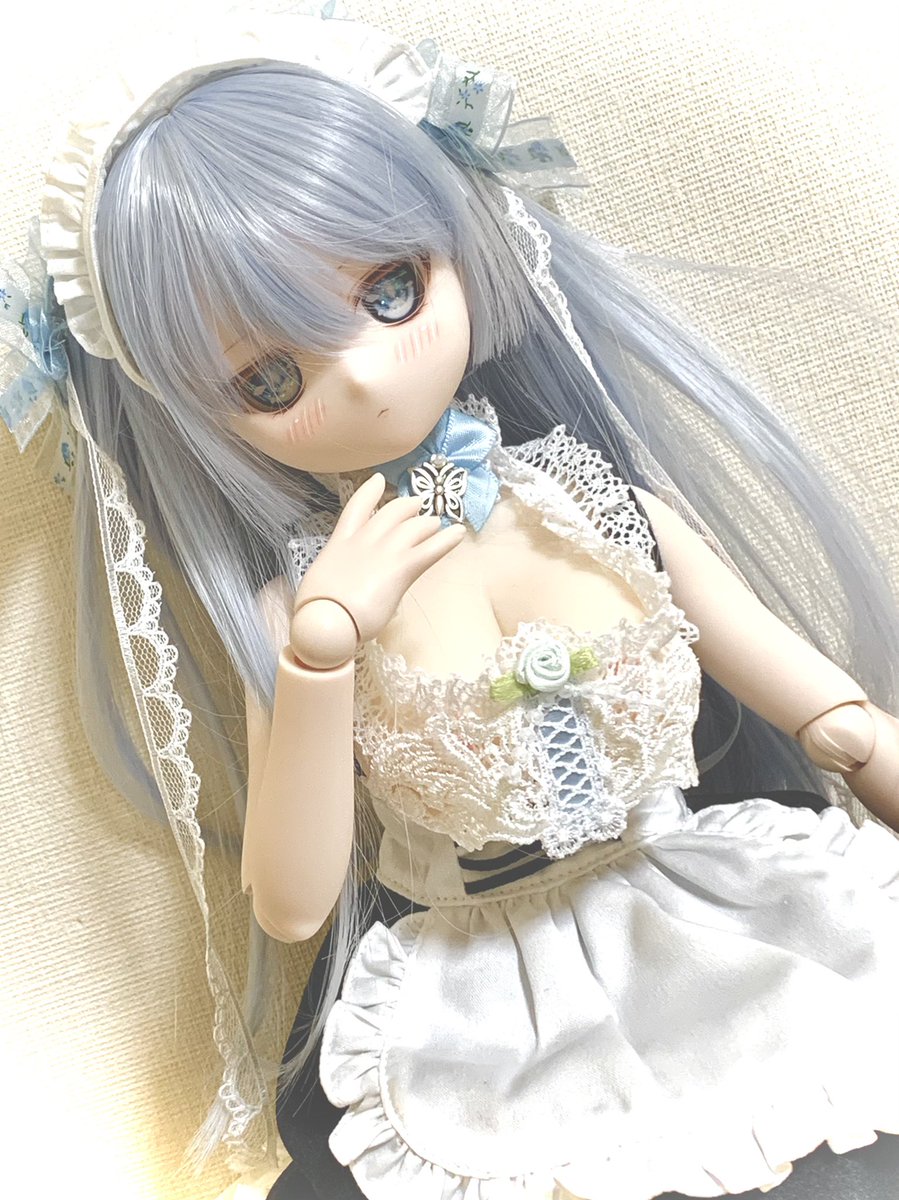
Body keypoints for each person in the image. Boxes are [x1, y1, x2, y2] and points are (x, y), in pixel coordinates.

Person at [5, 9, 898, 1199]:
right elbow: (293, 904)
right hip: (494, 1006)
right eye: (269, 379)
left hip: (717, 921)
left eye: (390, 290)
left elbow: (829, 716)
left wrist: (859, 743)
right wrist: (319, 656)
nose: (367, 374)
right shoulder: (303, 609)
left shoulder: (604, 507)